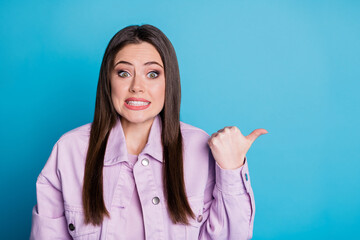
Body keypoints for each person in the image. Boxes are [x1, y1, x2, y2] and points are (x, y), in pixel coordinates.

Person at [30, 24, 267, 240]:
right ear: (108, 81)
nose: (137, 87)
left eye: (152, 74)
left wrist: (232, 170)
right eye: (124, 73)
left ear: (169, 82)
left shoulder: (199, 148)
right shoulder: (69, 150)